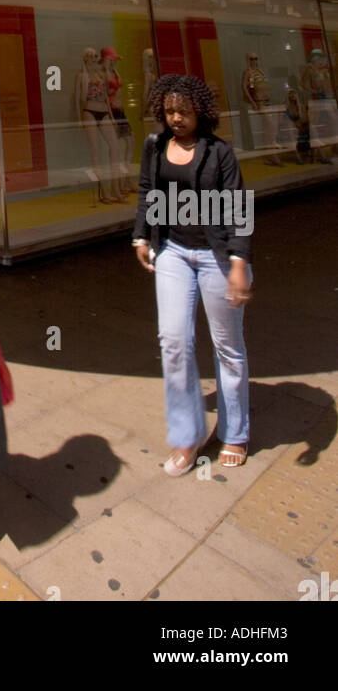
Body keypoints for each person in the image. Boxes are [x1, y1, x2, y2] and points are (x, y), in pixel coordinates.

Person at [132, 74, 252, 478]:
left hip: (216, 255)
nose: (176, 118)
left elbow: (237, 207)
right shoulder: (155, 146)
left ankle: (235, 431)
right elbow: (148, 191)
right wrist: (140, 237)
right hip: (173, 252)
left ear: (200, 110)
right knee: (174, 342)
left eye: (183, 111)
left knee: (227, 347)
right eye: (169, 111)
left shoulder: (220, 153)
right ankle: (187, 435)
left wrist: (238, 262)